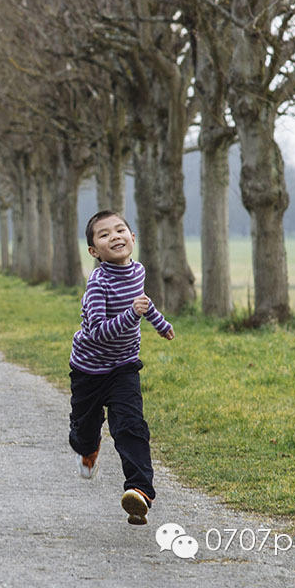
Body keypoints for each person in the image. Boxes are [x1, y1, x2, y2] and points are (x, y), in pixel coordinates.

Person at [69, 210, 175, 526]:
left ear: (133, 237)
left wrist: (159, 323)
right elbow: (97, 332)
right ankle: (88, 448)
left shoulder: (137, 271)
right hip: (88, 370)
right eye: (104, 235)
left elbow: (143, 303)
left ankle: (139, 492)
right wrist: (132, 314)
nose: (115, 236)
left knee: (131, 426)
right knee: (84, 432)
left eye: (120, 230)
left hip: (124, 367)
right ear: (93, 251)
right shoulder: (97, 285)